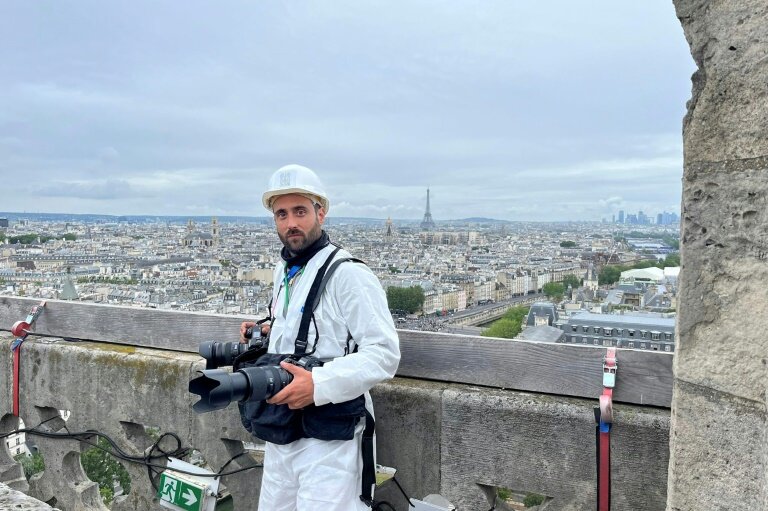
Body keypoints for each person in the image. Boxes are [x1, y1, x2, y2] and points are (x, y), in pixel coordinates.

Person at [239, 164, 400, 511]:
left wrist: (318, 384)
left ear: (321, 212)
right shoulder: (286, 269)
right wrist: (269, 333)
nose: (290, 223)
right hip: (282, 428)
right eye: (281, 214)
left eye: (300, 211)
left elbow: (385, 353)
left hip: (329, 435)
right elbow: (309, 330)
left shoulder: (349, 274)